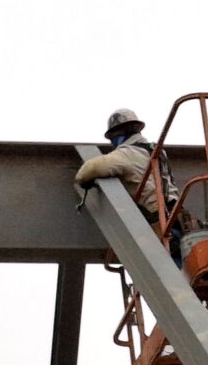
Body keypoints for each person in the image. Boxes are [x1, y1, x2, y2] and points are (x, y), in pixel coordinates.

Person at [75, 108, 184, 260]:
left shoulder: (128, 154)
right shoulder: (155, 151)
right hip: (175, 219)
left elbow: (87, 171)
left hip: (158, 223)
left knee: (171, 271)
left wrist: (85, 181)